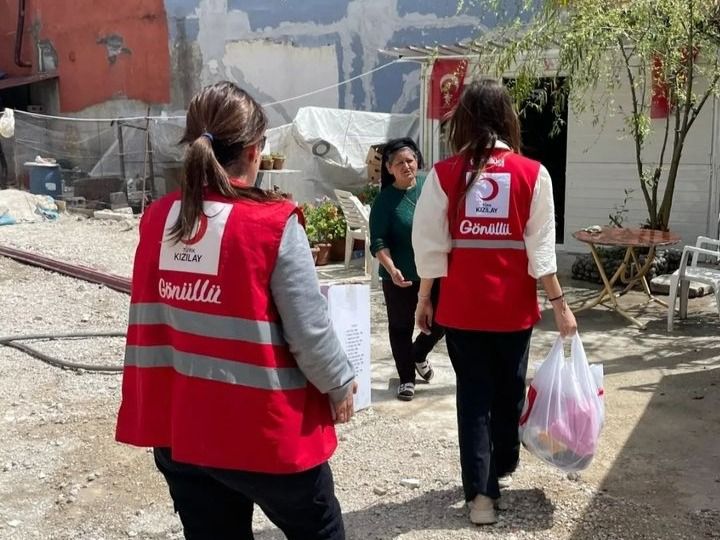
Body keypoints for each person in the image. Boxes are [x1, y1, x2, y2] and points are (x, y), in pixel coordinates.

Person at [115, 81, 356, 540]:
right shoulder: (272, 224)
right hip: (262, 432)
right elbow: (309, 330)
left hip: (181, 430)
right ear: (253, 150)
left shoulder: (159, 219)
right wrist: (339, 383)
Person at [412, 79, 577, 526]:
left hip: (462, 310)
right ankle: (499, 466)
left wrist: (425, 298)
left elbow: (430, 244)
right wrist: (560, 304)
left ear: (463, 121)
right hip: (512, 311)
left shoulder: (444, 174)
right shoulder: (533, 174)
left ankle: (482, 496)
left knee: (474, 398)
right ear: (508, 119)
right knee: (509, 392)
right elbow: (541, 250)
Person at [369, 138, 445, 401]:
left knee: (441, 321)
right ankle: (406, 378)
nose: (406, 166)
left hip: (433, 271)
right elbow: (378, 241)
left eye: (410, 160)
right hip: (399, 276)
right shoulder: (384, 201)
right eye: (399, 162)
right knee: (400, 327)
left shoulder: (430, 188)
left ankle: (419, 353)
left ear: (417, 161)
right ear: (389, 168)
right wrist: (391, 269)